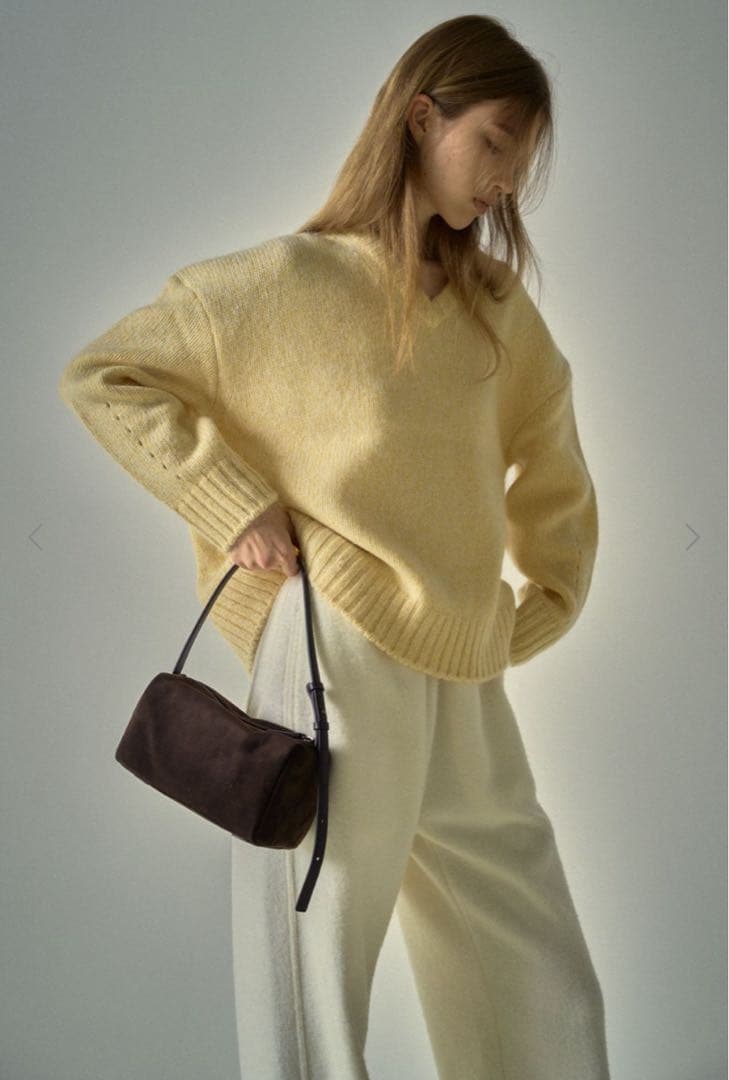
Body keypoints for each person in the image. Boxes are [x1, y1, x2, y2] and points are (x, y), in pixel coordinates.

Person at [57, 13, 612, 1080]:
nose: (507, 179)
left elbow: (556, 473)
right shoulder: (289, 282)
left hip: (463, 668)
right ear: (422, 117)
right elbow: (107, 374)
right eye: (495, 141)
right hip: (332, 652)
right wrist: (234, 501)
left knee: (535, 968)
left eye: (523, 157)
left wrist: (533, 611)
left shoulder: (501, 315)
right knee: (315, 969)